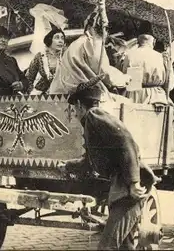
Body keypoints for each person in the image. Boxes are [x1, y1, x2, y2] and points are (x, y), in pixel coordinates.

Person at [59, 76, 160, 250]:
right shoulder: (92, 121)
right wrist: (68, 166)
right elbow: (89, 162)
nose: (74, 113)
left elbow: (126, 141)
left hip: (128, 190)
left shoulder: (94, 115)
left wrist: (134, 182)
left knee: (107, 246)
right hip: (124, 187)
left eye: (74, 108)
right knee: (125, 246)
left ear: (81, 106)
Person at [48, 8, 131, 102]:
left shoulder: (77, 42)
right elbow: (103, 72)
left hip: (60, 93)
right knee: (126, 102)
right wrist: (125, 79)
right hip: (78, 95)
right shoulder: (93, 43)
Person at [121, 34, 174, 105]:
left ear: (138, 41)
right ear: (154, 42)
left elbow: (124, 77)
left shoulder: (129, 55)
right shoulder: (160, 57)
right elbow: (169, 83)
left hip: (133, 95)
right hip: (155, 97)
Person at [25, 24, 65, 94]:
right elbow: (28, 79)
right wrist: (34, 92)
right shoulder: (39, 56)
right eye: (57, 38)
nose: (60, 41)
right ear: (49, 40)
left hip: (63, 94)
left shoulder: (66, 55)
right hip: (43, 95)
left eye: (62, 38)